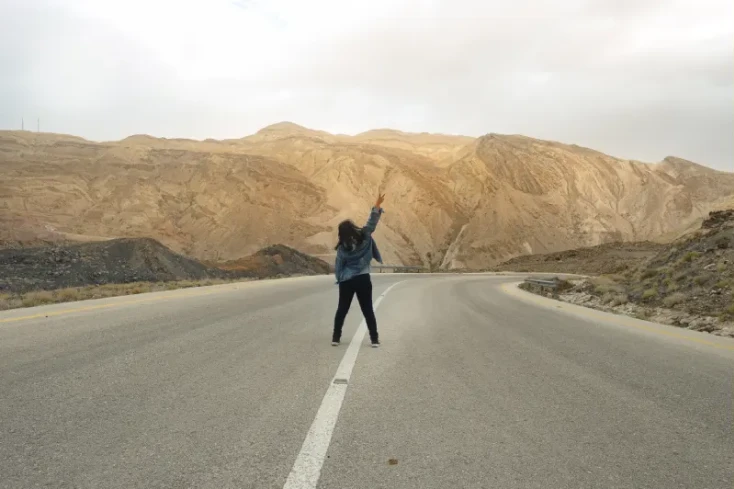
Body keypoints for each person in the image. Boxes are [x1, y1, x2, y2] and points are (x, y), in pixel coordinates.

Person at [332, 193, 385, 348]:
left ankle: (336, 337)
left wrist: (340, 278)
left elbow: (339, 266)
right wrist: (377, 204)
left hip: (347, 281)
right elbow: (372, 221)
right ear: (353, 228)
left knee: (342, 309)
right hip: (363, 279)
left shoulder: (342, 248)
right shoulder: (365, 236)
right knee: (367, 309)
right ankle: (374, 339)